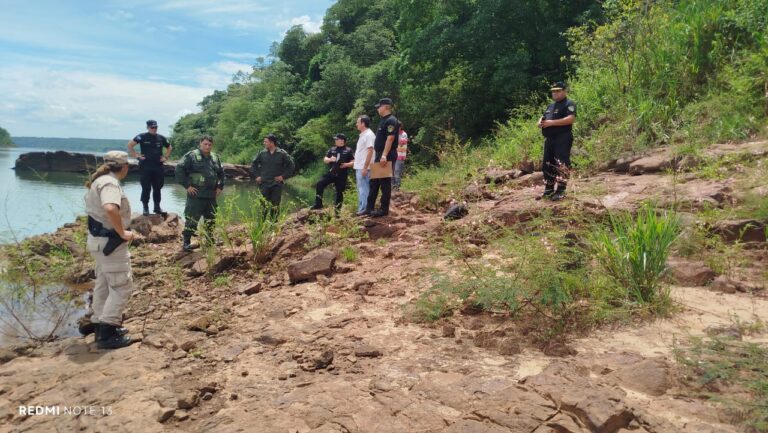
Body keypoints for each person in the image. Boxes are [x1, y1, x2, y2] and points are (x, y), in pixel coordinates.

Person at [83, 151, 143, 349]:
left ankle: (100, 322)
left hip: (98, 242)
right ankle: (107, 332)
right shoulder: (109, 183)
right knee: (121, 286)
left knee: (104, 284)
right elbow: (110, 208)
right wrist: (123, 232)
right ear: (124, 167)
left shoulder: (100, 180)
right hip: (109, 243)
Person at [175, 136, 225, 252]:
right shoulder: (191, 156)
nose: (207, 147)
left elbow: (221, 173)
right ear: (200, 144)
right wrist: (187, 186)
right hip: (196, 195)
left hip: (211, 195)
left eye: (209, 145)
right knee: (192, 218)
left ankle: (209, 240)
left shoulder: (215, 157)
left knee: (211, 218)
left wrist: (220, 186)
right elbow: (179, 169)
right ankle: (186, 242)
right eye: (205, 144)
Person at [537, 81, 576, 201]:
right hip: (550, 139)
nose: (555, 93)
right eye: (553, 91)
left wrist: (552, 123)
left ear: (564, 91)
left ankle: (561, 190)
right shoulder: (550, 106)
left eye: (558, 91)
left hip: (562, 137)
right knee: (547, 163)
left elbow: (570, 119)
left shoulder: (569, 103)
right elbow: (544, 117)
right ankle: (548, 190)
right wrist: (540, 122)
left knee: (561, 163)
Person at [362, 98, 399, 217]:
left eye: (379, 106)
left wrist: (384, 155)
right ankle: (369, 208)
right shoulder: (383, 120)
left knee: (384, 182)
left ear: (386, 107)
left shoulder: (391, 120)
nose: (378, 109)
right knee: (374, 182)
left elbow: (390, 138)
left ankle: (383, 210)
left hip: (386, 154)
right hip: (379, 154)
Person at [128, 120, 172, 215]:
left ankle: (157, 207)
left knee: (158, 188)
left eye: (155, 127)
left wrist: (166, 157)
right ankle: (145, 208)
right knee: (146, 188)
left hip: (158, 166)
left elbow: (169, 147)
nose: (154, 129)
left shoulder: (161, 138)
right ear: (147, 128)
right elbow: (130, 145)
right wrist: (136, 155)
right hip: (145, 166)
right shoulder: (142, 136)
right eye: (152, 127)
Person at [251, 134, 295, 215]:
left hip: (276, 184)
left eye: (266, 142)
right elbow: (253, 165)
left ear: (272, 142)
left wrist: (283, 176)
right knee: (263, 206)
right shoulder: (262, 153)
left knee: (275, 206)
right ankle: (262, 225)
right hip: (264, 183)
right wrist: (257, 176)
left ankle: (273, 225)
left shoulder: (282, 153)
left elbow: (291, 166)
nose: (264, 143)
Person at [311, 133, 355, 213]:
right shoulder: (332, 149)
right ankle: (318, 204)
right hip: (331, 173)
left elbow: (354, 162)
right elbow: (325, 159)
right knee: (320, 184)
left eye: (336, 139)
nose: (335, 140)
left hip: (342, 174)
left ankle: (337, 210)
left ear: (342, 141)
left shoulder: (348, 150)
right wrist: (330, 159)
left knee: (340, 192)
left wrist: (346, 165)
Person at [353, 115, 375, 215]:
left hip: (364, 167)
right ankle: (362, 208)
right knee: (362, 188)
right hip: (360, 166)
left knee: (364, 188)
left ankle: (364, 209)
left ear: (363, 123)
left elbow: (370, 150)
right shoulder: (363, 135)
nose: (356, 124)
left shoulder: (368, 135)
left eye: (358, 122)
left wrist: (365, 167)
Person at [392, 123, 408, 190]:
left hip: (400, 157)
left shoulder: (404, 134)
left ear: (400, 127)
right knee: (391, 173)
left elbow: (401, 142)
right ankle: (392, 187)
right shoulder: (394, 134)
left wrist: (392, 138)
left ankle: (397, 188)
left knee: (397, 172)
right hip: (393, 156)